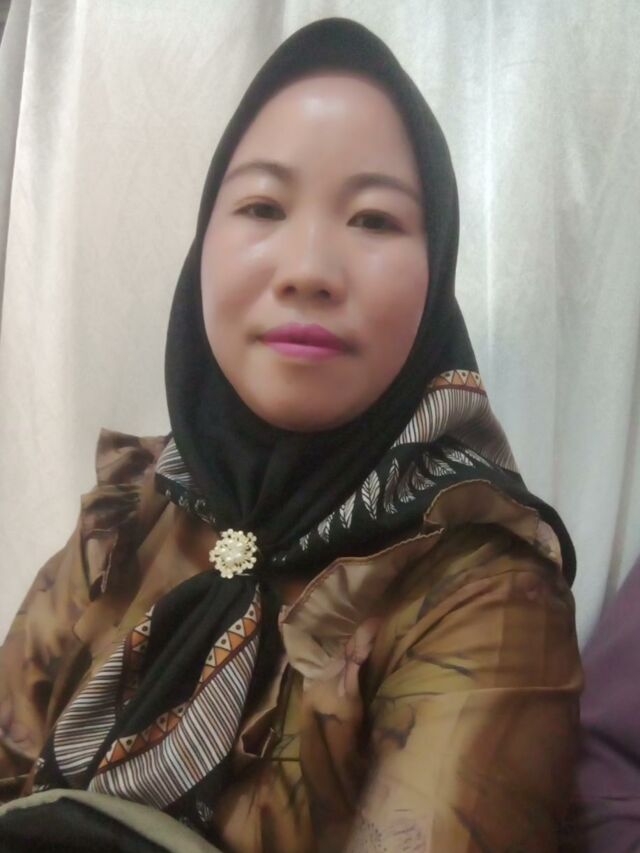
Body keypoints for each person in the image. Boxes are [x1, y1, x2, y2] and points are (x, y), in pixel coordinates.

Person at [0, 17, 582, 852]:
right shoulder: (131, 511)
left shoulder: (482, 593)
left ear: (437, 273)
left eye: (374, 219)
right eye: (263, 207)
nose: (309, 268)